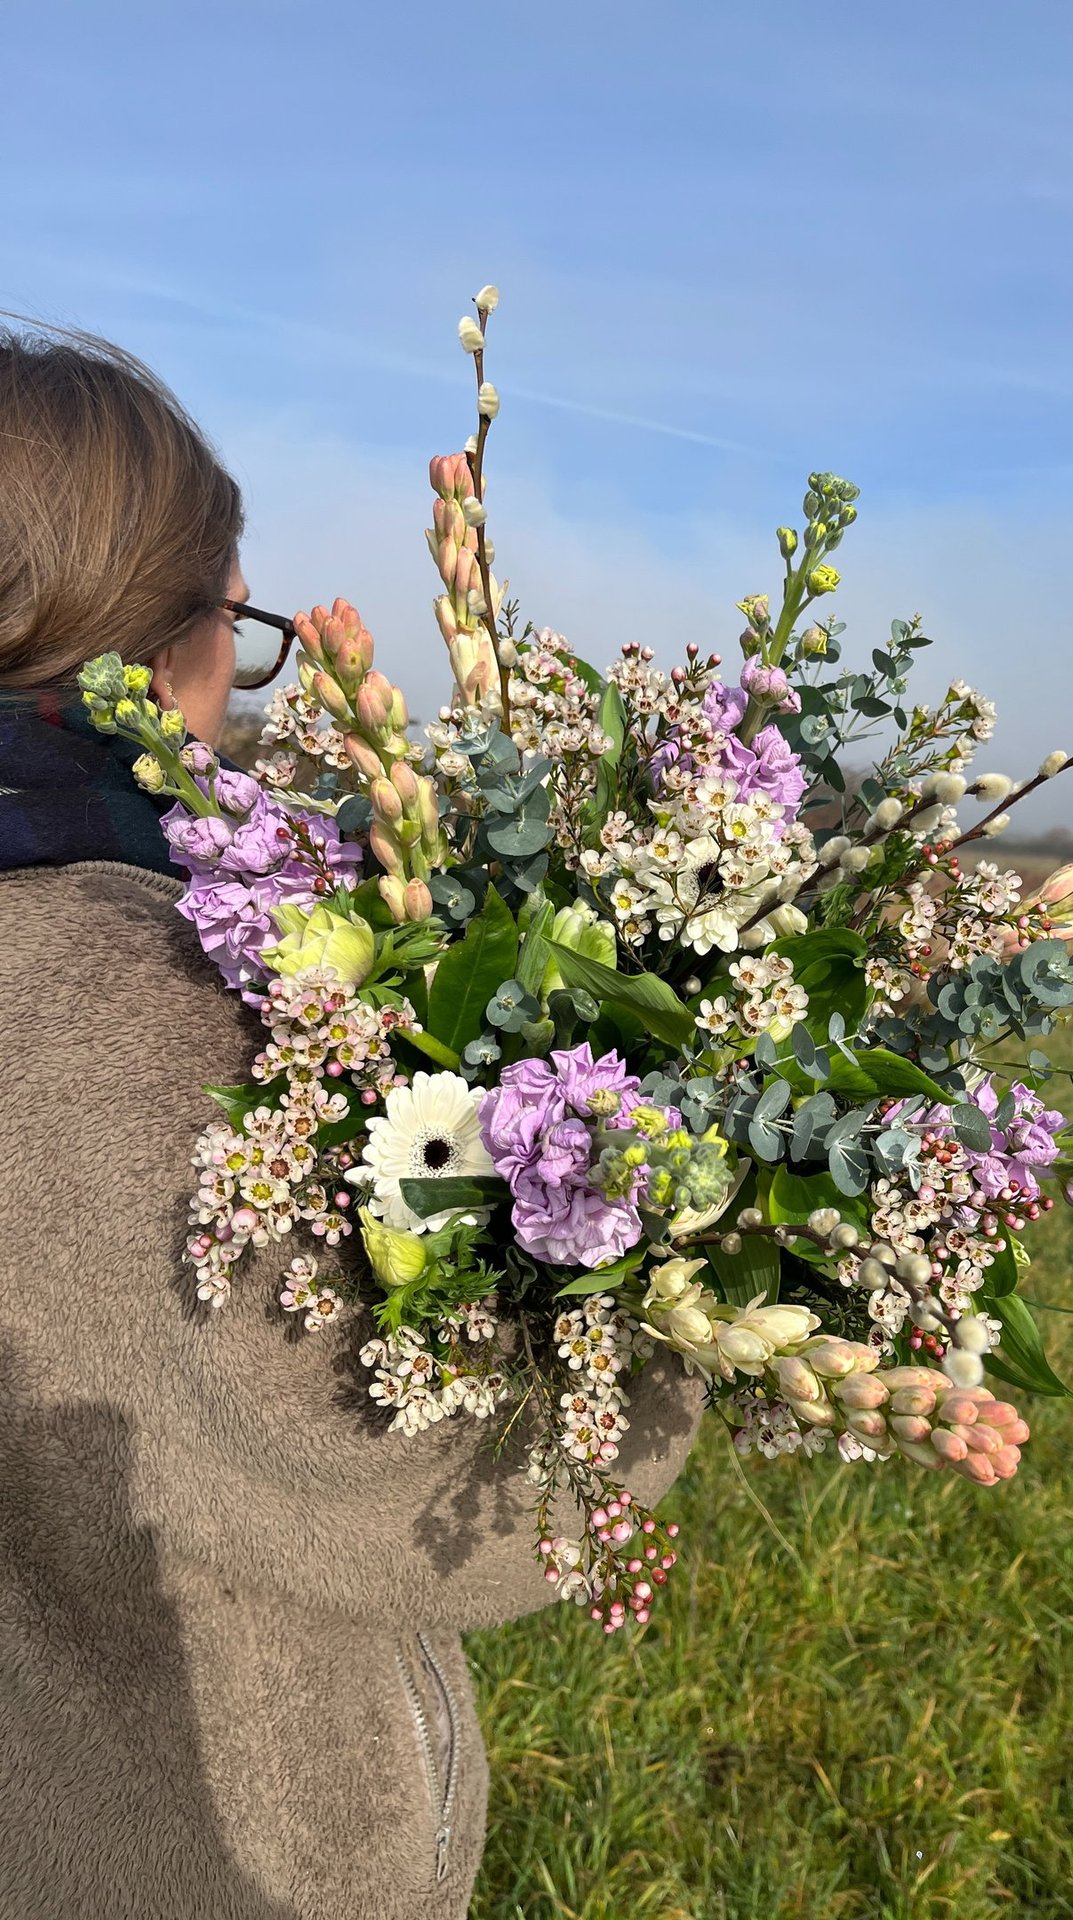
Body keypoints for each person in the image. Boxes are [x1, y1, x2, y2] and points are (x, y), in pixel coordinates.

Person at [0, 326, 702, 1919]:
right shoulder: (159, 1023)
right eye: (235, 639)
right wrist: (671, 1291)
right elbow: (449, 1497)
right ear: (159, 648)